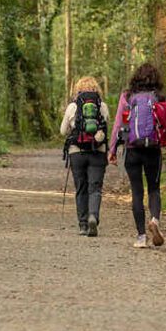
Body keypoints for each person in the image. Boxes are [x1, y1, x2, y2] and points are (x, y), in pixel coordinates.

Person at [109, 61, 166, 248]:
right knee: (154, 188)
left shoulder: (127, 97)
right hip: (153, 150)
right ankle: (155, 220)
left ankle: (141, 237)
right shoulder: (159, 97)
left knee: (136, 192)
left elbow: (119, 125)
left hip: (132, 150)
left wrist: (112, 150)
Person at [60, 76, 110, 237]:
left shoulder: (73, 107)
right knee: (95, 188)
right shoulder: (102, 106)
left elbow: (63, 131)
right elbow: (106, 126)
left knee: (81, 189)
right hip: (97, 151)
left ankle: (82, 225)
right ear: (97, 89)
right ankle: (93, 216)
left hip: (77, 152)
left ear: (78, 90)